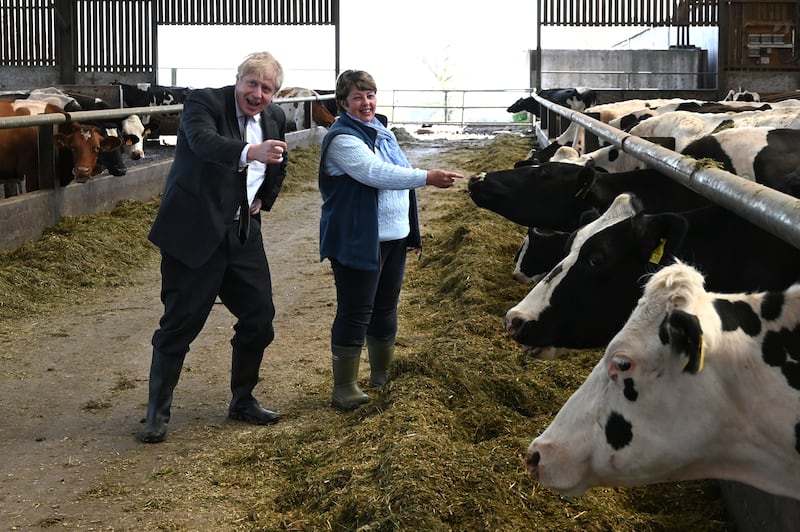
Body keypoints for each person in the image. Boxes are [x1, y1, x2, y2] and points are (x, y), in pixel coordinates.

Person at [137, 51, 289, 443]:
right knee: (179, 325)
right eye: (251, 84)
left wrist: (264, 199)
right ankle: (156, 413)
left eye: (267, 88)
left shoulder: (275, 118)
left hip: (242, 235)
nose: (257, 94)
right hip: (194, 233)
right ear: (238, 80)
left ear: (275, 93)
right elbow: (204, 143)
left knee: (260, 318)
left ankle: (243, 400)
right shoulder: (203, 102)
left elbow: (279, 161)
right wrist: (248, 152)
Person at [318, 69, 464, 411]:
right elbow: (376, 174)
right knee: (356, 310)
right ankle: (345, 386)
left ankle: (381, 373)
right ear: (342, 104)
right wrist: (427, 177)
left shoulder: (382, 133)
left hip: (393, 237)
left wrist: (410, 231)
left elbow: (398, 179)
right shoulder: (343, 140)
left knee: (385, 307)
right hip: (358, 239)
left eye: (370, 95)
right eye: (357, 97)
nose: (366, 103)